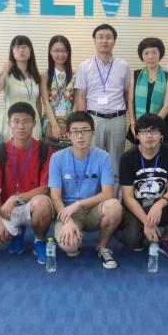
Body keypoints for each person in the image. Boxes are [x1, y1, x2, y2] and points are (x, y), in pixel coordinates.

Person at [48, 111, 122, 269]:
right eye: (75, 131)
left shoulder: (103, 157)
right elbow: (55, 197)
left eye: (85, 130)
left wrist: (79, 203)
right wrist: (67, 221)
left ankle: (102, 246)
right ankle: (76, 238)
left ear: (93, 133)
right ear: (68, 135)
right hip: (69, 212)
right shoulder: (57, 158)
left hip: (93, 210)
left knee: (115, 206)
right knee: (69, 246)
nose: (80, 136)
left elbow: (108, 193)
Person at [0, 102, 54, 265]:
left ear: (34, 124)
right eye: (16, 121)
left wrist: (16, 198)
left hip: (32, 203)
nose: (21, 126)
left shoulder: (44, 150)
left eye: (26, 121)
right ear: (9, 124)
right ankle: (17, 232)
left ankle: (39, 240)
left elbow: (45, 189)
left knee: (43, 204)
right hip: (8, 208)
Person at [116, 114, 168, 261]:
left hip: (161, 205)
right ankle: (139, 232)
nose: (149, 136)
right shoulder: (127, 157)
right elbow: (128, 197)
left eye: (154, 131)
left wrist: (159, 204)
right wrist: (147, 222)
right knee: (133, 241)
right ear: (137, 135)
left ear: (161, 134)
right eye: (144, 132)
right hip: (136, 207)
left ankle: (165, 240)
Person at [74, 24, 130, 184]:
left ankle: (114, 196)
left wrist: (121, 113)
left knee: (116, 161)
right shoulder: (85, 66)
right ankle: (93, 193)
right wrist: (83, 123)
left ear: (114, 41)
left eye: (108, 37)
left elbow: (127, 93)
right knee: (91, 159)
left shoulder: (123, 65)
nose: (104, 41)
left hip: (117, 119)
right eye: (101, 37)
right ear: (94, 40)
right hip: (94, 119)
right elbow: (81, 95)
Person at [0, 35, 42, 140]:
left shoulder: (36, 76)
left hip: (31, 123)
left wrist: (38, 122)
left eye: (24, 47)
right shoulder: (7, 74)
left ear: (30, 50)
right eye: (17, 47)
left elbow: (38, 103)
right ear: (12, 51)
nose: (21, 50)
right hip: (11, 123)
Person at [126, 37, 168, 145]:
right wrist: (133, 125)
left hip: (159, 127)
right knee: (138, 153)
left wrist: (152, 127)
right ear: (142, 56)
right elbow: (130, 102)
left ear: (160, 54)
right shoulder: (134, 75)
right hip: (138, 126)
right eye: (146, 53)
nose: (150, 57)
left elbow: (167, 105)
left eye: (154, 52)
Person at [40, 35, 75, 150]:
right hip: (50, 124)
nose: (60, 54)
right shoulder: (45, 75)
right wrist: (54, 125)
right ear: (50, 52)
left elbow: (76, 103)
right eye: (56, 51)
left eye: (64, 50)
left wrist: (71, 126)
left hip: (69, 125)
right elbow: (45, 102)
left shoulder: (75, 75)